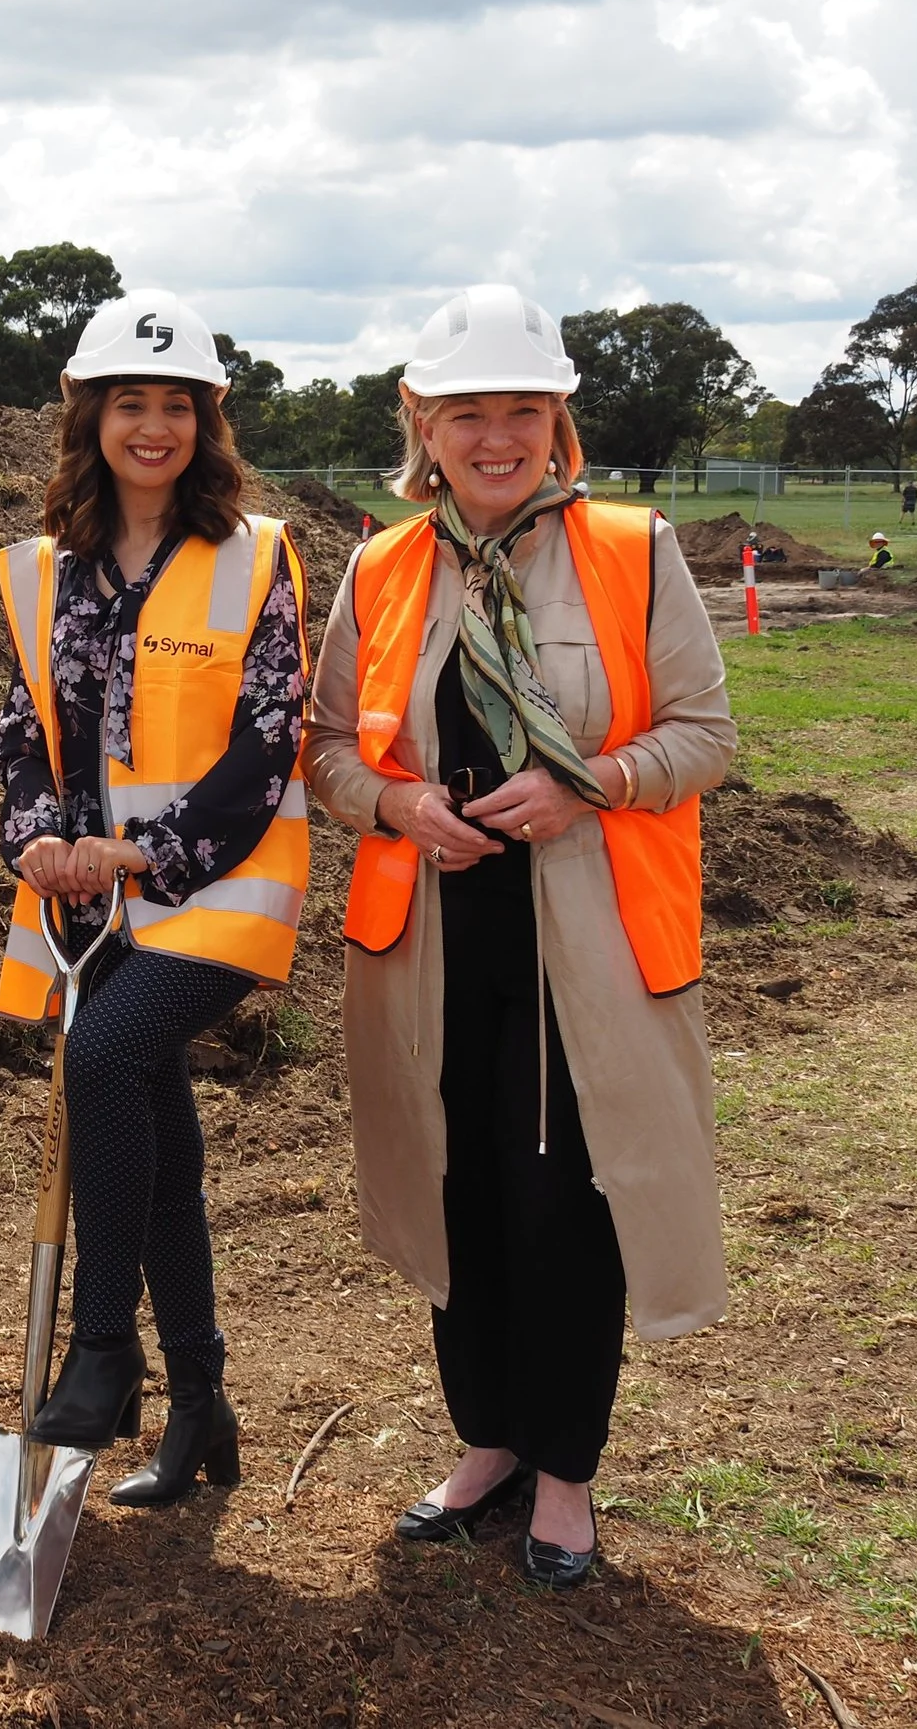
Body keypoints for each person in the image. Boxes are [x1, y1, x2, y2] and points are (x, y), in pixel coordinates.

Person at [305, 284, 736, 1588]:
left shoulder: (630, 550)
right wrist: (399, 805)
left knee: (562, 1208)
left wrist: (589, 784)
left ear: (557, 420)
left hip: (585, 951)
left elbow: (704, 736)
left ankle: (564, 1473)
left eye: (521, 410)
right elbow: (326, 747)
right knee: (459, 1197)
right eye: (467, 413)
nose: (496, 437)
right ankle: (487, 1441)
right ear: (421, 424)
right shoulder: (384, 568)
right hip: (433, 951)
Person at [0, 292, 310, 1506]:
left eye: (177, 405)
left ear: (205, 421)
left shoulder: (254, 554)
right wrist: (35, 836)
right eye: (130, 402)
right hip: (90, 904)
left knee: (105, 1057)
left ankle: (101, 1348)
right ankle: (200, 1400)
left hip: (221, 884)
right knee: (160, 1153)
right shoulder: (43, 570)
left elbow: (269, 736)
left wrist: (146, 853)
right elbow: (23, 729)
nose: (154, 426)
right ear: (89, 414)